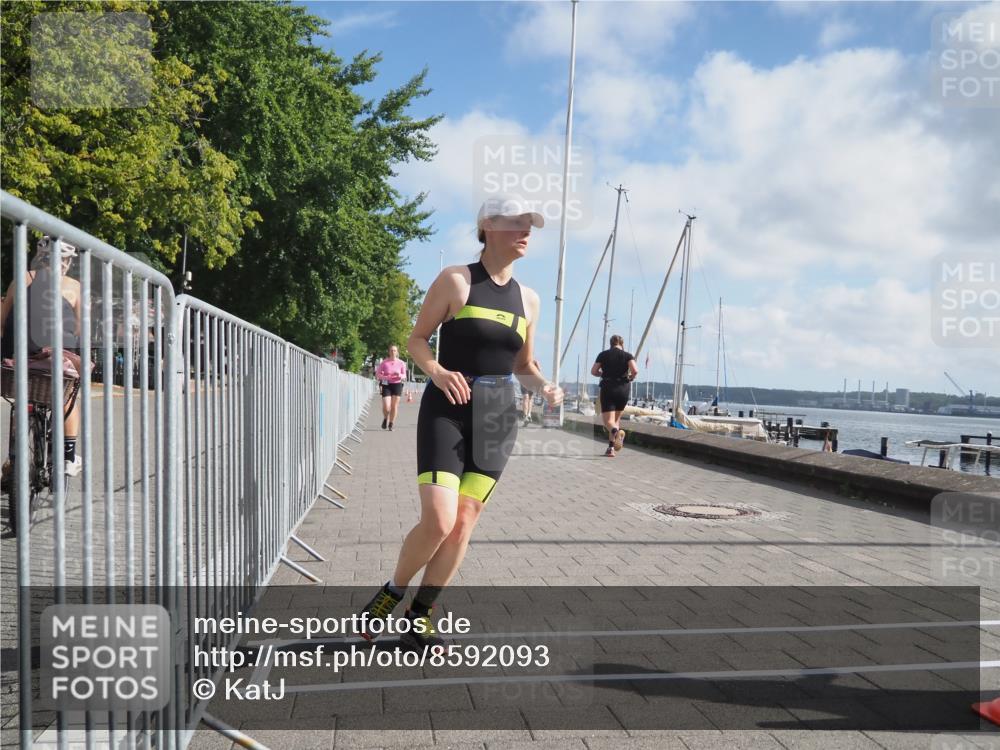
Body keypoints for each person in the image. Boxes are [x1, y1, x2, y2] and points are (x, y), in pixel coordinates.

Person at [358, 194, 563, 652]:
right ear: (488, 226)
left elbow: (523, 366)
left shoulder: (529, 299)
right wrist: (436, 371)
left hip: (497, 418)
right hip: (447, 409)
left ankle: (420, 616)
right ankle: (392, 590)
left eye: (530, 225)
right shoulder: (456, 280)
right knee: (439, 519)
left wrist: (545, 386)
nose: (526, 232)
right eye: (517, 223)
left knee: (464, 521)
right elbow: (416, 339)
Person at [0, 236, 84, 488]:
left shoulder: (20, 279)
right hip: (56, 358)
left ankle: (14, 459)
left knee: (22, 399)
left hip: (21, 357)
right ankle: (68, 457)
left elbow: (2, 321)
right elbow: (80, 328)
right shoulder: (74, 286)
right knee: (68, 394)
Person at [592, 334, 638, 457]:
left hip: (608, 388)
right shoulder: (628, 355)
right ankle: (610, 448)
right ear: (622, 344)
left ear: (611, 344)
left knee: (608, 421)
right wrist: (630, 377)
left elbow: (593, 371)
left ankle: (617, 434)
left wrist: (602, 374)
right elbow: (635, 370)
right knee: (615, 421)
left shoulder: (603, 355)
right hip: (623, 389)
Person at [376, 345, 407, 431]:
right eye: (391, 350)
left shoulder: (401, 363)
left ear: (397, 352)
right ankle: (385, 418)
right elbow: (378, 374)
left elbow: (404, 375)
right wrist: (386, 377)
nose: (393, 352)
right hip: (386, 385)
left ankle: (391, 423)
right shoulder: (384, 362)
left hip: (397, 384)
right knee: (386, 406)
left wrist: (399, 375)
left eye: (394, 350)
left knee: (394, 406)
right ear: (389, 352)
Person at [520, 358, 540, 426]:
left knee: (530, 398)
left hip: (532, 382)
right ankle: (525, 415)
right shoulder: (522, 360)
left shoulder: (534, 361)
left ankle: (529, 414)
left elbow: (539, 371)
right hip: (523, 381)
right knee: (526, 397)